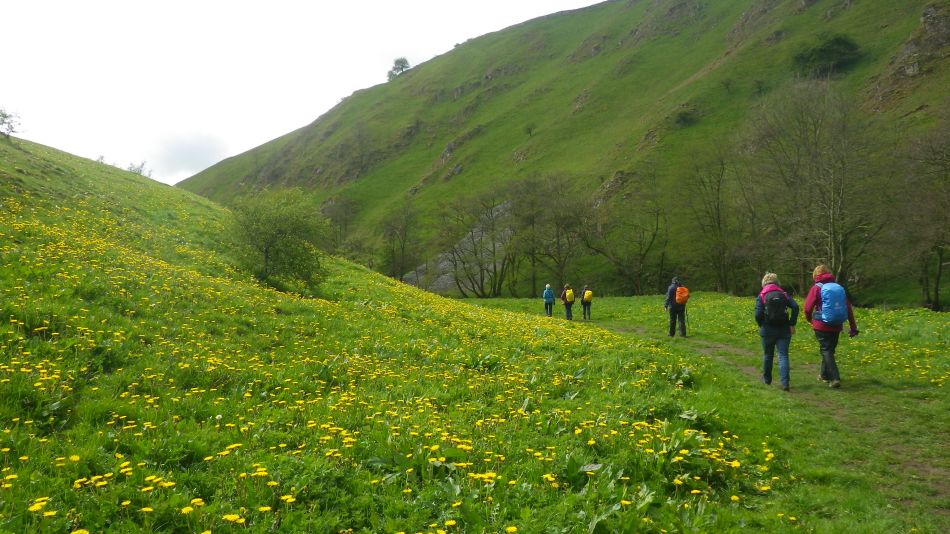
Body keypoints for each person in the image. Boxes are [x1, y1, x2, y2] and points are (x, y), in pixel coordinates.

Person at [804, 265, 859, 389]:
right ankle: (824, 375)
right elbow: (848, 308)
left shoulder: (816, 288)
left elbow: (807, 308)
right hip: (836, 324)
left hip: (821, 325)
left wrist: (810, 320)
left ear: (815, 275)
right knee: (828, 350)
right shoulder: (838, 288)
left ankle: (834, 378)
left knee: (826, 350)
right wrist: (853, 327)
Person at [754, 272, 799, 391]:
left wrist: (761, 324)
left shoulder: (762, 295)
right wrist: (792, 323)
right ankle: (785, 383)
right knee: (783, 355)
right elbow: (795, 307)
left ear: (764, 283)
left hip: (767, 330)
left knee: (768, 355)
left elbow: (757, 314)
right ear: (777, 282)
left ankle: (767, 381)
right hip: (783, 329)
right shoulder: (784, 294)